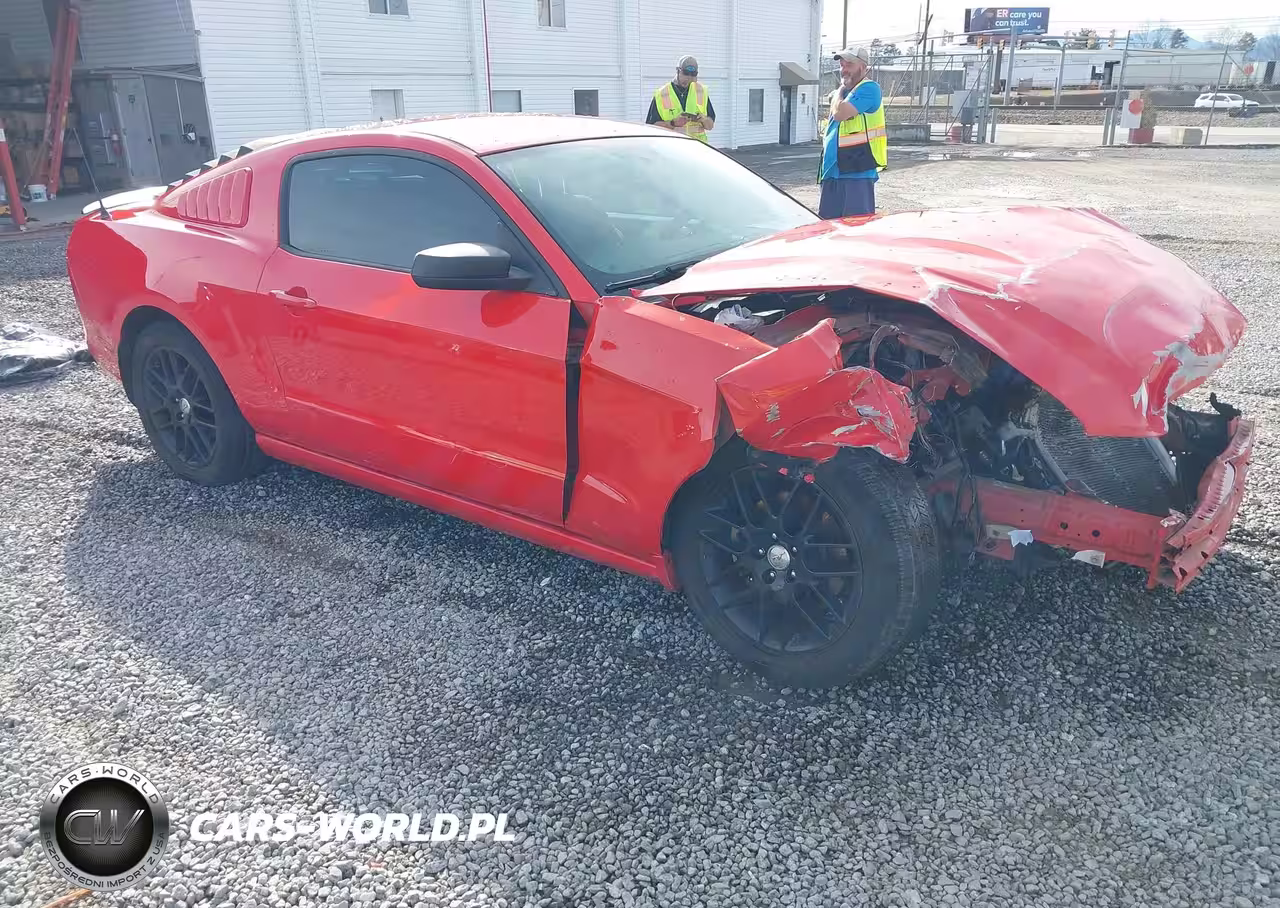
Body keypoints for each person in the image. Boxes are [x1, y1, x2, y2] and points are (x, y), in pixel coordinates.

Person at [817, 47, 887, 219]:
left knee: (856, 226)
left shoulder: (869, 88)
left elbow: (840, 113)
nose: (844, 69)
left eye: (849, 64)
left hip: (857, 171)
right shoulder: (846, 92)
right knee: (828, 227)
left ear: (863, 67)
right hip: (832, 170)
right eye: (842, 65)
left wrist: (839, 91)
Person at [646, 55, 715, 142]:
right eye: (685, 74)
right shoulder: (663, 93)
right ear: (678, 71)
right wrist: (673, 123)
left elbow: (710, 126)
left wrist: (704, 120)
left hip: (697, 149)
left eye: (692, 75)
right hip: (672, 149)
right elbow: (651, 127)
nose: (688, 78)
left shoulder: (700, 91)